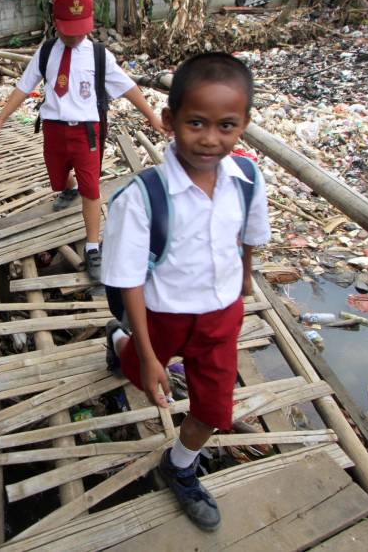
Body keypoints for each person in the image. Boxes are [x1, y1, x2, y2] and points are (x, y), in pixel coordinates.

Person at [100, 53, 270, 532]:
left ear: (244, 125)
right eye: (196, 123)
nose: (210, 139)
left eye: (226, 126)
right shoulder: (142, 197)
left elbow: (251, 236)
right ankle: (120, 343)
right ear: (170, 121)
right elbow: (129, 278)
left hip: (221, 317)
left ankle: (179, 465)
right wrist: (151, 353)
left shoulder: (248, 180)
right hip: (163, 316)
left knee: (215, 409)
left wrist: (245, 277)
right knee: (140, 370)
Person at [0, 0, 164, 281]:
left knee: (91, 189)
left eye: (81, 28)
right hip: (53, 130)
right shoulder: (45, 53)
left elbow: (129, 88)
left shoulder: (98, 56)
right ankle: (69, 187)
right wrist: (0, 119)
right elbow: (23, 87)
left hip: (86, 132)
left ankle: (93, 248)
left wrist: (152, 117)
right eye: (68, 29)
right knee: (57, 180)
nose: (75, 35)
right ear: (56, 23)